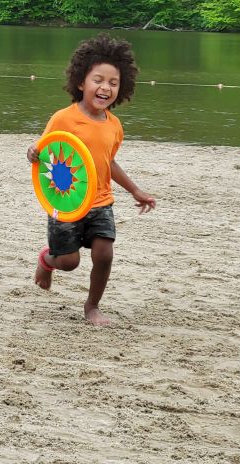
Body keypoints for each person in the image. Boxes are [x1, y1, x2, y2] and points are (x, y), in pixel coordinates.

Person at [27, 34, 156, 326]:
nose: (105, 87)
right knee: (69, 262)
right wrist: (33, 152)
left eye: (113, 83)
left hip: (100, 201)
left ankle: (92, 306)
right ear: (81, 82)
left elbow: (108, 162)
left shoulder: (114, 126)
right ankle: (48, 260)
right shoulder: (63, 119)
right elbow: (45, 152)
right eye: (98, 79)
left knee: (105, 253)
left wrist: (135, 190)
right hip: (67, 203)